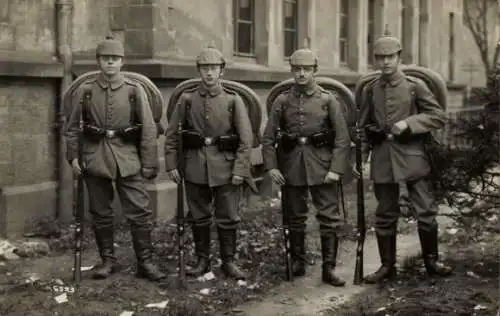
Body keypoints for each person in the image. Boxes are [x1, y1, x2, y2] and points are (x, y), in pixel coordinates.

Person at [64, 36, 166, 281]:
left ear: (122, 62)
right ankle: (107, 260)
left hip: (128, 158)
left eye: (115, 58)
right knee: (100, 212)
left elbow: (149, 128)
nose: (110, 62)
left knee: (139, 212)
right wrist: (74, 157)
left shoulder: (134, 90)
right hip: (94, 157)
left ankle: (146, 262)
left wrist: (150, 162)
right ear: (98, 61)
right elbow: (73, 127)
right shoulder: (86, 91)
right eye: (105, 58)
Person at [357, 29, 453, 284]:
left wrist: (409, 123)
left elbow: (438, 115)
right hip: (383, 158)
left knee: (425, 211)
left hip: (412, 156)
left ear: (399, 57)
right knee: (385, 214)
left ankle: (432, 261)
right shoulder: (370, 89)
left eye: (390, 56)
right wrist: (363, 157)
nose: (385, 62)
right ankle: (387, 266)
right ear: (375, 59)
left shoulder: (414, 87)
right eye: (380, 57)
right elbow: (364, 125)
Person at [261, 43, 351, 286]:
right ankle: (297, 262)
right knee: (294, 217)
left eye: (306, 69)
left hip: (322, 166)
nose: (301, 74)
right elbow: (268, 138)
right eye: (297, 69)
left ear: (315, 70)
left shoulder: (327, 100)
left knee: (329, 218)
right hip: (292, 166)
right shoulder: (282, 101)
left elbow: (342, 138)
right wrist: (272, 167)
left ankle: (328, 268)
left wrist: (336, 169)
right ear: (291, 70)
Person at [164, 43, 253, 280]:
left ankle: (229, 261)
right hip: (194, 165)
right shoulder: (187, 99)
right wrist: (172, 165)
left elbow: (246, 139)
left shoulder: (233, 101)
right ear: (198, 70)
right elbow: (172, 135)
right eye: (205, 68)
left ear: (222, 70)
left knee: (228, 216)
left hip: (226, 166)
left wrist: (240, 170)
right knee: (199, 215)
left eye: (214, 68)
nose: (210, 73)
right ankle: (202, 260)